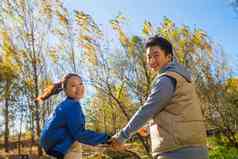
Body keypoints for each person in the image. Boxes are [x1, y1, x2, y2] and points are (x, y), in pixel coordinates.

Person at [110, 36, 208, 159]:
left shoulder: (167, 79)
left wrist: (122, 136)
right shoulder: (182, 78)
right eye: (148, 57)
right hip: (193, 147)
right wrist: (148, 127)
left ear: (169, 56)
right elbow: (176, 112)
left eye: (156, 55)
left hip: (176, 150)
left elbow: (147, 110)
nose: (151, 61)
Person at [37, 73, 110, 159]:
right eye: (73, 86)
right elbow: (79, 133)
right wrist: (107, 139)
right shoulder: (72, 105)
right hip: (64, 148)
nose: (79, 88)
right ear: (65, 90)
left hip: (54, 148)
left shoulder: (64, 104)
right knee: (77, 145)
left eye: (80, 84)